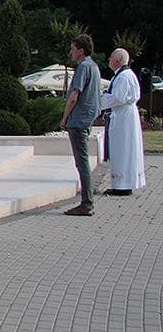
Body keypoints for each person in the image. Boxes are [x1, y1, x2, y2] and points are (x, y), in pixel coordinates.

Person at [59, 33, 102, 216]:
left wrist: (64, 118)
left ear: (80, 51)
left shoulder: (83, 68)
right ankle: (87, 201)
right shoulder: (94, 67)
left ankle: (86, 203)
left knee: (82, 162)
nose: (71, 52)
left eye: (72, 49)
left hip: (78, 120)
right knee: (82, 161)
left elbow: (74, 96)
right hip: (87, 118)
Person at [101, 48, 146, 196]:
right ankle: (120, 183)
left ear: (118, 60)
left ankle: (123, 184)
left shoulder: (124, 76)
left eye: (111, 57)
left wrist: (99, 100)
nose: (108, 60)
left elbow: (118, 98)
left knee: (123, 149)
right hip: (122, 116)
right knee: (121, 149)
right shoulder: (120, 75)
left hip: (123, 117)